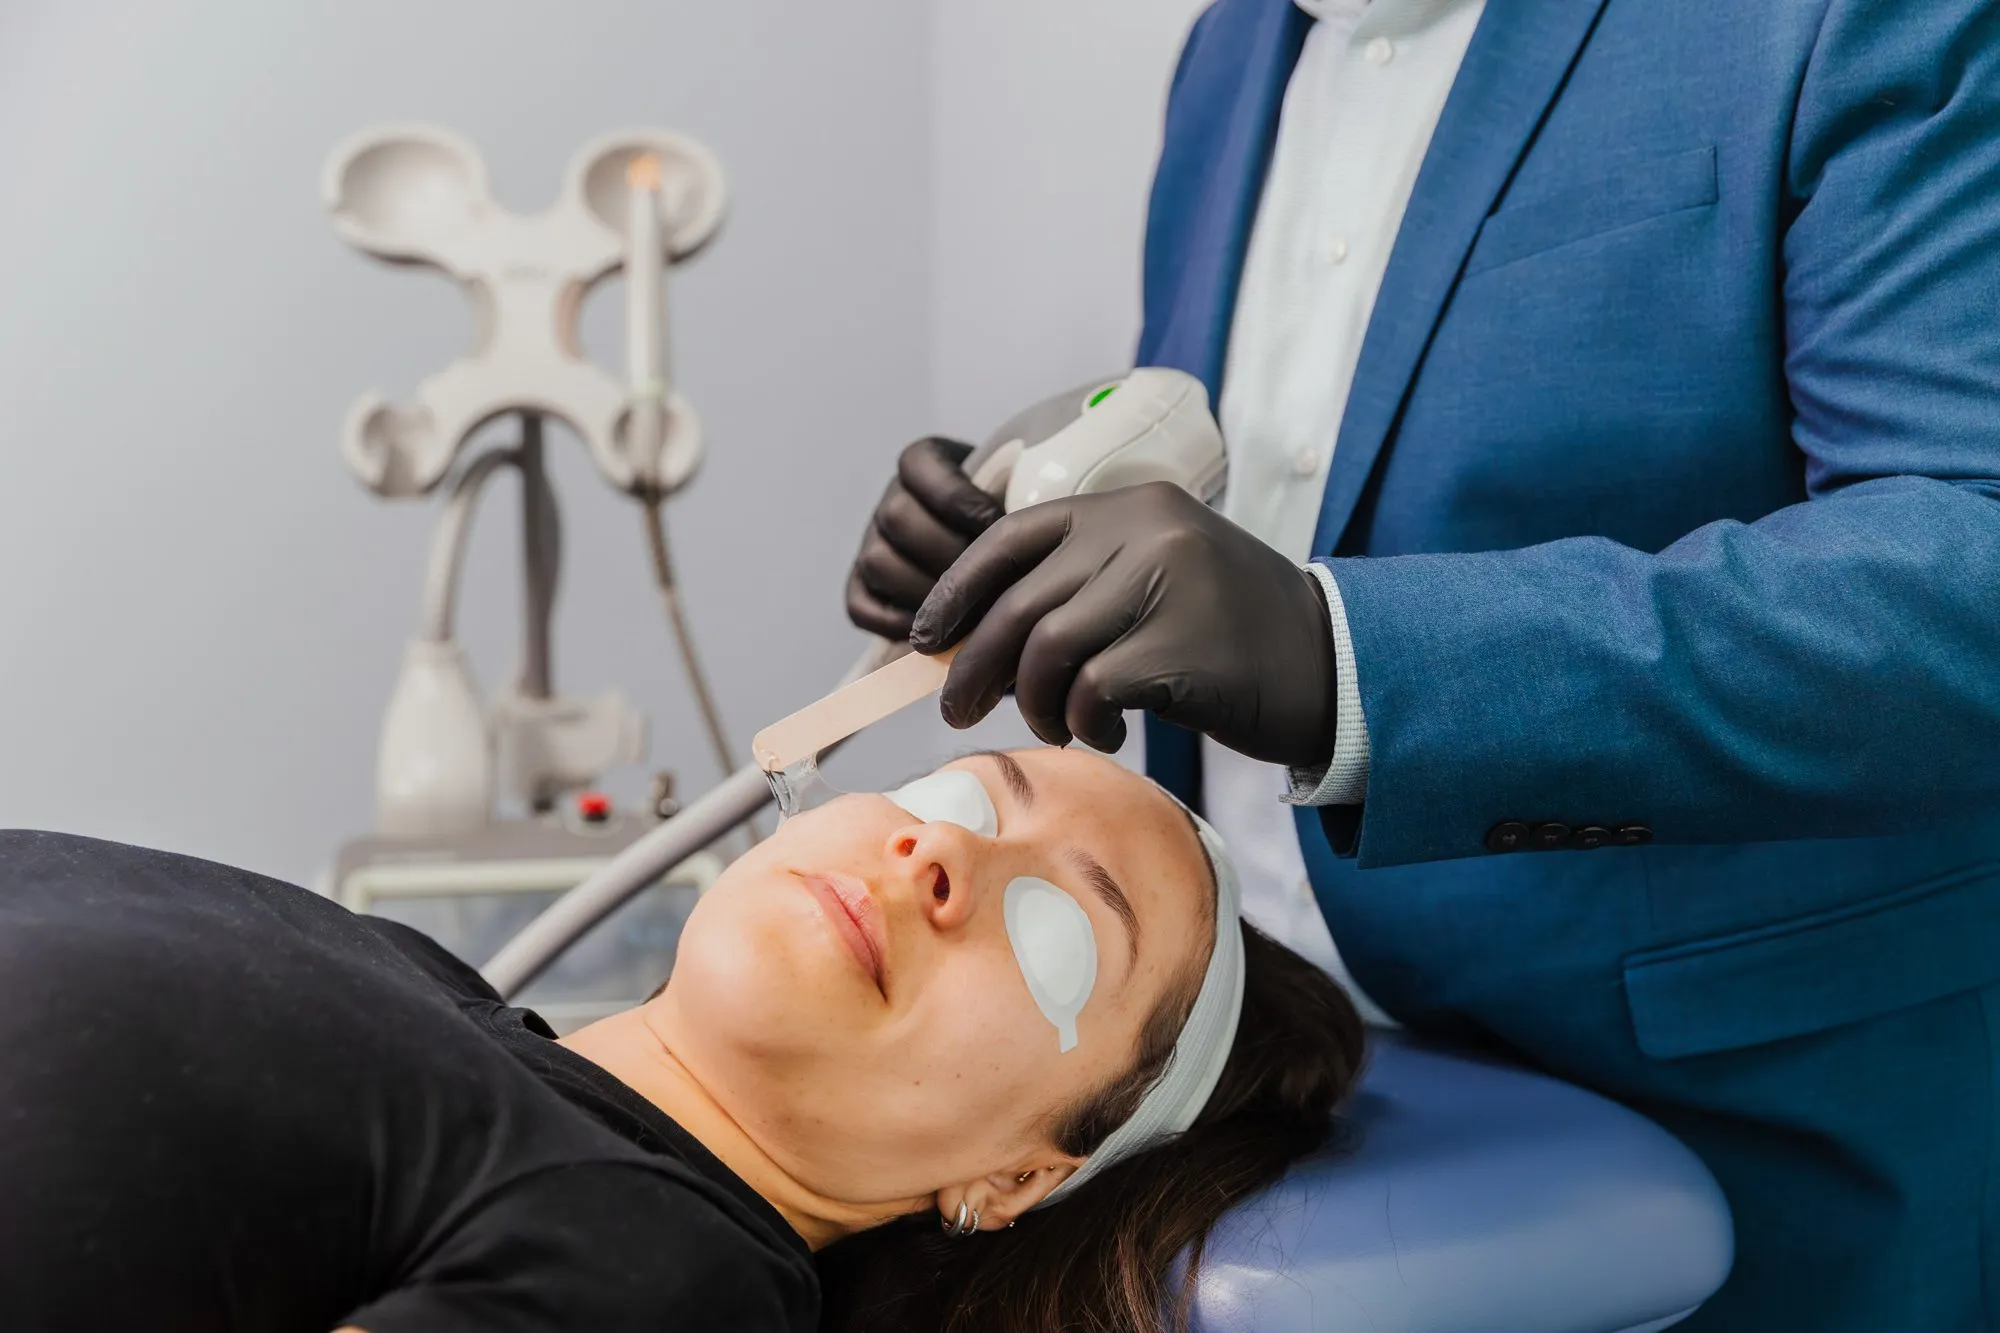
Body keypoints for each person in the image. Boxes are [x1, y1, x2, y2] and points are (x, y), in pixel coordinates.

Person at [844, 0, 2000, 1326]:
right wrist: (1031, 549)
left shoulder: (1834, 23)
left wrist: (1351, 660)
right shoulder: (1233, 53)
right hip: (1252, 1102)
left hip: (1748, 1124)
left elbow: (1968, 575)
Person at [0, 747, 1363, 1333]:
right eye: (963, 793)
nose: (939, 851)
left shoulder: (670, 1280)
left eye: (1061, 926)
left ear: (1020, 1174)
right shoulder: (425, 983)